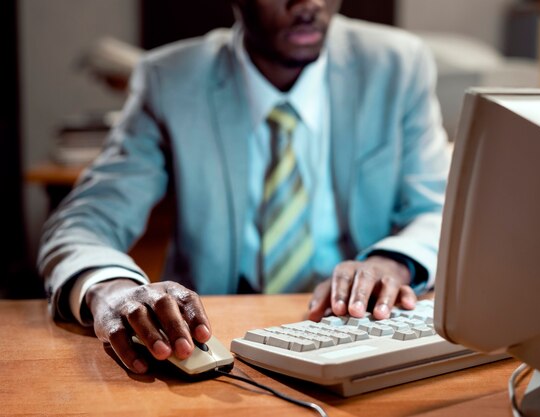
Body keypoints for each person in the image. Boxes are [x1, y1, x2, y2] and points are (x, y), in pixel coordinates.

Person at [38, 0, 450, 375]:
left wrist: (392, 261)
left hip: (358, 334)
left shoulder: (396, 64)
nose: (310, 4)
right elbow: (83, 223)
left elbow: (439, 208)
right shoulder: (170, 80)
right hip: (217, 347)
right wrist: (110, 288)